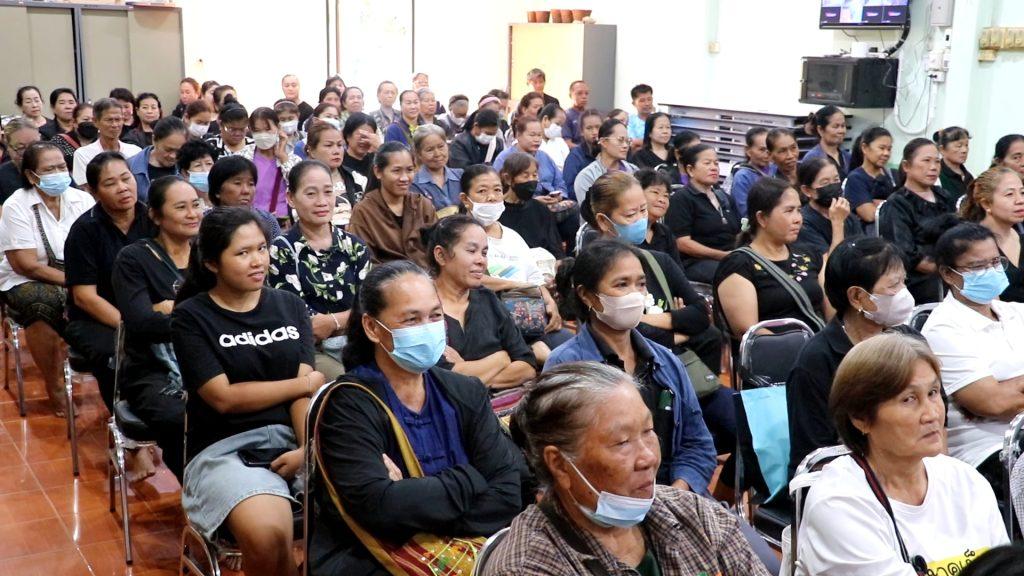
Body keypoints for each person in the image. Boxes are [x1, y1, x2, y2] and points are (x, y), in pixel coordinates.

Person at [309, 260, 524, 575]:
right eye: (412, 319)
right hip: (376, 556)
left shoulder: (465, 390)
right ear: (372, 327)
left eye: (435, 316)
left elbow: (507, 495)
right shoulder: (349, 404)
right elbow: (378, 510)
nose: (428, 327)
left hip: (468, 548)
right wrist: (471, 478)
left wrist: (414, 500)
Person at [488, 361, 770, 575]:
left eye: (648, 431)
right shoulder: (529, 566)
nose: (648, 458)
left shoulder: (694, 516)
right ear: (560, 464)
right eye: (622, 442)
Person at [172, 207, 319, 576]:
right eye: (242, 253)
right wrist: (302, 384)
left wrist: (307, 450)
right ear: (211, 263)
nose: (258, 261)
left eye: (261, 249)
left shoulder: (290, 306)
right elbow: (224, 397)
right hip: (228, 449)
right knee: (270, 535)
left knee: (374, 503)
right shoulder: (191, 316)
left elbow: (300, 396)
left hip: (296, 439)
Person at [796, 333, 1008, 575]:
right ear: (860, 418)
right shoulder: (837, 503)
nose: (932, 414)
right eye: (909, 399)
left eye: (933, 393)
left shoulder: (966, 481)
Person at [546, 238, 718, 485]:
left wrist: (679, 491)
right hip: (604, 499)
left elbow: (697, 443)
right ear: (587, 296)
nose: (636, 295)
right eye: (622, 285)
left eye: (641, 284)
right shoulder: (567, 365)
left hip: (673, 492)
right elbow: (565, 455)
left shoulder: (666, 362)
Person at [787, 237, 914, 478]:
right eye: (893, 286)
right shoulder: (817, 360)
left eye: (904, 283)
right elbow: (815, 455)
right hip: (847, 481)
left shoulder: (910, 341)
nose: (904, 294)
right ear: (857, 297)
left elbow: (938, 420)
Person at [923, 223, 1024, 499]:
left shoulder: (1016, 312)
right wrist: (1001, 393)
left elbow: (1003, 397)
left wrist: (1007, 385)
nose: (991, 271)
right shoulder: (943, 328)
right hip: (991, 449)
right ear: (948, 274)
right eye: (977, 267)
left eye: (995, 262)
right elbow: (993, 403)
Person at [111, 176, 199, 480]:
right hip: (152, 370)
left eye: (196, 205)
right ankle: (201, 495)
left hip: (208, 357)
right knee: (182, 418)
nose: (192, 214)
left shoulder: (208, 254)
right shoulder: (134, 258)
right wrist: (198, 315)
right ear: (156, 215)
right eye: (181, 207)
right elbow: (142, 323)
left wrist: (169, 307)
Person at [0, 142, 94, 415]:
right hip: (24, 279)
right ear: (32, 176)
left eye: (61, 167)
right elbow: (26, 264)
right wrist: (75, 282)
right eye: (49, 169)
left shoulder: (81, 200)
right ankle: (54, 386)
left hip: (77, 273)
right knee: (41, 306)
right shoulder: (17, 205)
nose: (58, 173)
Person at [64, 152, 156, 410]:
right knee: (116, 353)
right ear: (93, 191)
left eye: (126, 178)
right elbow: (85, 296)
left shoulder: (153, 219)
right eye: (110, 183)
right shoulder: (85, 231)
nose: (122, 188)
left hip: (148, 310)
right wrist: (129, 325)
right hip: (97, 318)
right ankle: (124, 424)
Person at [269, 160, 370, 381]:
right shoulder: (283, 249)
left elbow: (368, 306)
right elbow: (300, 318)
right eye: (311, 194)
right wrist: (342, 320)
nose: (322, 202)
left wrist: (334, 321)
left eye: (328, 191)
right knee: (350, 383)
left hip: (357, 339)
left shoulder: (355, 246)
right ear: (290, 198)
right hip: (310, 348)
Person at [458, 165, 567, 362]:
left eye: (497, 190)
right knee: (552, 359)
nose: (491, 197)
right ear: (466, 199)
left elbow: (534, 278)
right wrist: (516, 285)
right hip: (490, 321)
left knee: (570, 348)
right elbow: (470, 279)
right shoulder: (459, 237)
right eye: (482, 191)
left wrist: (549, 302)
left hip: (529, 316)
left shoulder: (512, 236)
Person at [714, 177, 829, 346]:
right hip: (773, 357)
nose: (798, 218)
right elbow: (749, 332)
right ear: (762, 218)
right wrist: (805, 352)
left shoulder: (808, 254)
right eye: (789, 211)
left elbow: (832, 309)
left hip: (818, 348)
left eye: (798, 210)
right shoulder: (739, 265)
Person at [426, 216, 537, 388]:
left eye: (484, 253)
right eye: (471, 251)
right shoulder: (422, 308)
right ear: (441, 255)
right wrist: (501, 358)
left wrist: (468, 373)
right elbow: (437, 380)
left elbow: (527, 365)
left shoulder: (488, 300)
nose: (481, 261)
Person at [879, 138, 957, 305]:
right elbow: (906, 255)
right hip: (919, 281)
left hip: (952, 271)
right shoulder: (897, 204)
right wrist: (949, 272)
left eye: (937, 161)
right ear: (907, 166)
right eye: (926, 161)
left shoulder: (944, 196)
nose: (933, 167)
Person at [348, 142, 437, 268]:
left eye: (410, 170)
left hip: (427, 279)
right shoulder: (364, 211)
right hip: (387, 282)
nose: (404, 178)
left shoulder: (422, 204)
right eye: (396, 171)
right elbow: (364, 260)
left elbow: (437, 248)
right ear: (378, 172)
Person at [664, 143, 741, 284]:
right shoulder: (681, 199)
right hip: (696, 262)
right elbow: (682, 243)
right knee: (735, 275)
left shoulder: (724, 197)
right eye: (707, 163)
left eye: (716, 163)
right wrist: (722, 256)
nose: (714, 167)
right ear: (690, 169)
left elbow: (737, 232)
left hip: (729, 257)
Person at [961, 166, 1024, 302]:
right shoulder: (972, 243)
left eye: (1022, 193)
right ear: (986, 203)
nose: (1020, 200)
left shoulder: (1020, 237)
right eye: (1009, 194)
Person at [497, 152, 564, 258]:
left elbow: (555, 247)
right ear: (508, 179)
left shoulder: (540, 209)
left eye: (534, 175)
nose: (531, 180)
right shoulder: (497, 211)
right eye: (525, 176)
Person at [238, 107, 301, 219]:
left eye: (267, 130)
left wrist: (282, 156)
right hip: (249, 219)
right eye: (257, 131)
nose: (263, 135)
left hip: (282, 221)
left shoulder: (292, 159)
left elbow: (298, 185)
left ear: (278, 128)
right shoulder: (242, 157)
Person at [795, 157, 859, 258]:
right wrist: (838, 223)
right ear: (807, 190)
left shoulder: (848, 216)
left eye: (836, 180)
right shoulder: (803, 223)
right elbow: (831, 266)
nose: (833, 186)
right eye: (825, 183)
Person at [71, 98, 141, 188]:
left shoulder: (135, 151)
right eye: (109, 120)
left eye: (118, 119)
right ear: (95, 122)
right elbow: (86, 189)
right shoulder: (83, 154)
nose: (115, 125)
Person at [208, 155, 281, 238]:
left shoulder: (267, 221)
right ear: (217, 190)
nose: (246, 191)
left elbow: (278, 250)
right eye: (237, 183)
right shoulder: (204, 223)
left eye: (251, 184)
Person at [573, 119, 637, 204]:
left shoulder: (634, 171)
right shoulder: (587, 176)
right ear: (604, 142)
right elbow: (588, 214)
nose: (625, 146)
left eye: (627, 141)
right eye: (620, 140)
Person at [844, 126, 896, 227]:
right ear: (865, 148)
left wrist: (879, 204)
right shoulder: (855, 179)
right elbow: (869, 215)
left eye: (889, 149)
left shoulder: (893, 175)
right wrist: (893, 204)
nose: (886, 153)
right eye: (881, 148)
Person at [127, 116, 187, 202]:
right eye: (168, 150)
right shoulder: (131, 167)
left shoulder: (187, 166)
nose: (173, 156)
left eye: (179, 151)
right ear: (154, 140)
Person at [410, 124, 462, 216]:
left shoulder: (460, 176)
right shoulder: (414, 184)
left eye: (441, 146)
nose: (437, 154)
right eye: (430, 150)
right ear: (418, 154)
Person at [637, 169, 683, 266]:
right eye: (655, 192)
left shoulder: (666, 233)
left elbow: (677, 272)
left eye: (666, 195)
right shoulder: (627, 231)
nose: (662, 200)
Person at [724, 127, 772, 217]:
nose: (767, 154)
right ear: (748, 150)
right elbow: (744, 213)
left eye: (769, 149)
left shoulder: (775, 169)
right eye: (762, 150)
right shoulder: (743, 177)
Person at [801, 105, 851, 180]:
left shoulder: (846, 156)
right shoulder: (812, 158)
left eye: (843, 126)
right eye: (835, 126)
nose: (841, 131)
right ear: (820, 130)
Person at [0, 118, 42, 202]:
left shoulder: (54, 166)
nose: (28, 152)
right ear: (8, 147)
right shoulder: (2, 176)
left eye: (34, 145)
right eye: (21, 148)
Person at [561, 109, 601, 193]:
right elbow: (569, 187)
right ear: (582, 131)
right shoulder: (575, 155)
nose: (595, 132)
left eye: (598, 127)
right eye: (589, 128)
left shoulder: (609, 151)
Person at [340, 112, 376, 203]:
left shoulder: (376, 161)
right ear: (348, 136)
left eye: (368, 136)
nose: (364, 140)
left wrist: (380, 148)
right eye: (361, 135)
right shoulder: (339, 162)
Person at [51, 102, 95, 172]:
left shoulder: (101, 141)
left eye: (93, 120)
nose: (90, 123)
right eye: (86, 119)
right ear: (74, 122)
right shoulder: (60, 141)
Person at [935, 126, 974, 200]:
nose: (964, 150)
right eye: (958, 146)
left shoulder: (969, 177)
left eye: (966, 145)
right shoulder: (936, 175)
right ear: (942, 149)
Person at [176, 139, 216, 207]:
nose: (205, 170)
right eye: (198, 165)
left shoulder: (222, 198)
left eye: (209, 164)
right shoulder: (179, 199)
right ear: (185, 173)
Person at [538, 104, 570, 170]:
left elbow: (568, 166)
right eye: (557, 124)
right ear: (545, 119)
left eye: (561, 126)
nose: (559, 128)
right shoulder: (533, 141)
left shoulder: (560, 142)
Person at [626, 84, 655, 150]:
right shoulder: (630, 120)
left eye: (649, 99)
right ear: (634, 103)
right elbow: (632, 142)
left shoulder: (658, 119)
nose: (647, 103)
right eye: (642, 100)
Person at [562, 80, 590, 146]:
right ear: (570, 95)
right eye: (580, 93)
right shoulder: (566, 116)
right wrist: (586, 151)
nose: (584, 96)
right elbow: (567, 143)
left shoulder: (591, 115)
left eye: (586, 93)